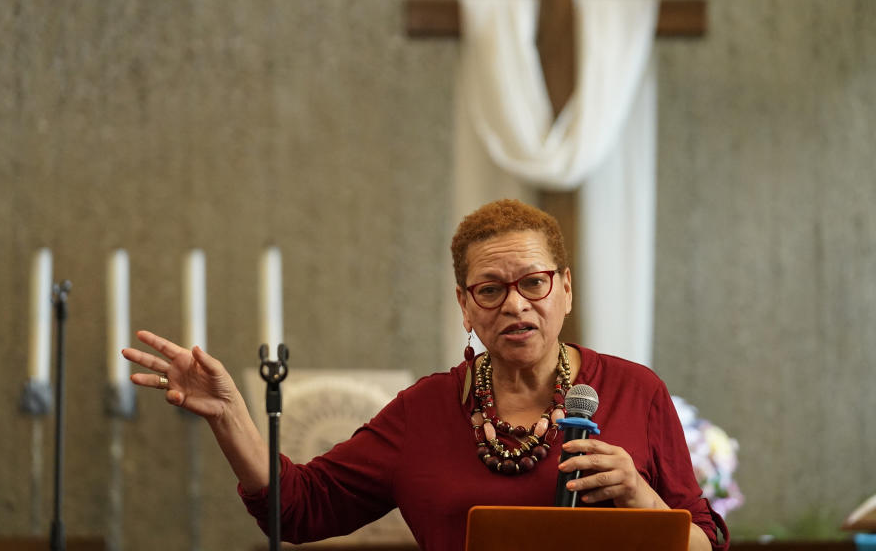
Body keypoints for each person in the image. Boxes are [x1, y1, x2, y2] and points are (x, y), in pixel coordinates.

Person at [123, 199, 729, 550]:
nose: (515, 304)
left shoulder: (634, 391)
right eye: (490, 288)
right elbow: (299, 510)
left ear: (565, 289)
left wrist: (644, 501)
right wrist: (231, 415)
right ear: (465, 307)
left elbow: (707, 544)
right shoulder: (426, 411)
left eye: (534, 283)